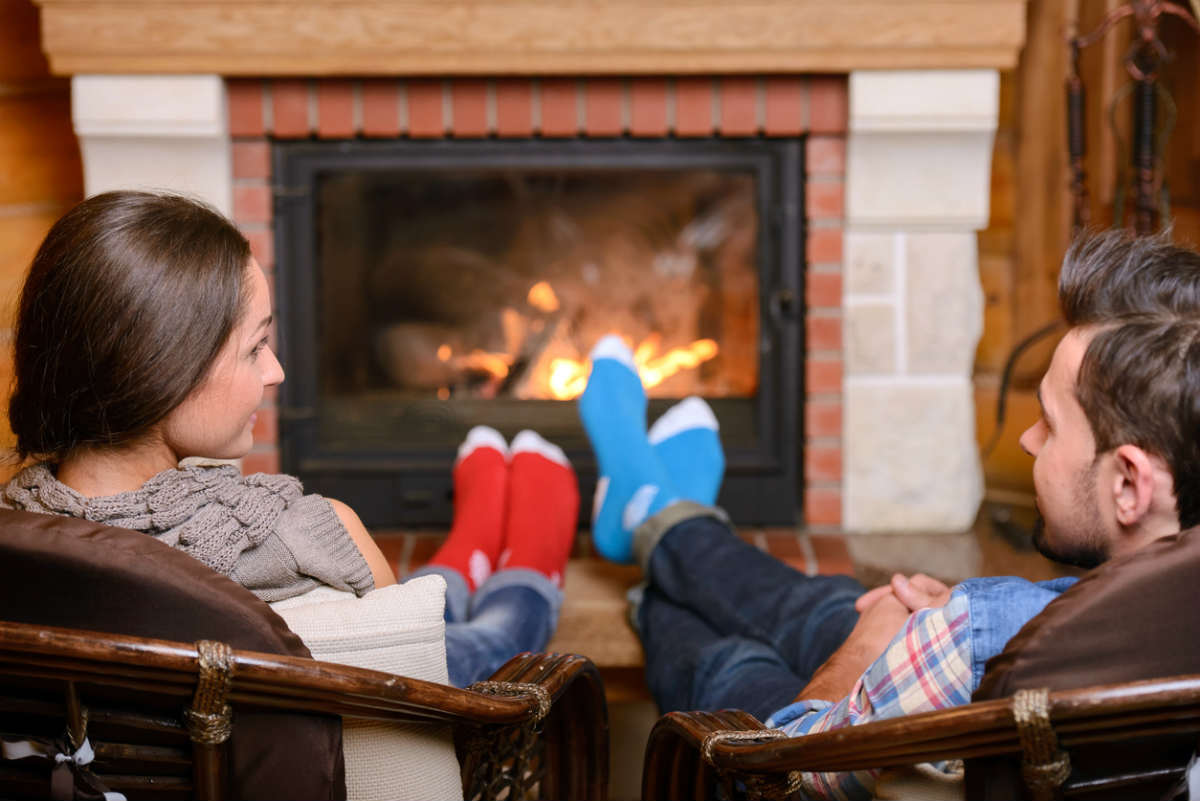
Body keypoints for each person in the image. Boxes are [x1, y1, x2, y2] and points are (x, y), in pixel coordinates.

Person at [577, 229, 1200, 799]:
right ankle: (658, 524)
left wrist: (880, 644)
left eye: (1050, 422)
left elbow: (789, 770)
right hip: (973, 688)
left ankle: (650, 524)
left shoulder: (971, 634)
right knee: (817, 604)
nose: (1028, 441)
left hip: (813, 746)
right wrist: (957, 622)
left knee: (736, 652)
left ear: (1128, 484)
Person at [0, 190, 579, 689]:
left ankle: (468, 550)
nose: (275, 371)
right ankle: (527, 563)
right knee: (488, 634)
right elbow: (416, 665)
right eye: (255, 347)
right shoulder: (308, 533)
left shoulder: (20, 537)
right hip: (426, 691)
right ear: (160, 370)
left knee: (434, 591)